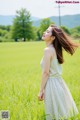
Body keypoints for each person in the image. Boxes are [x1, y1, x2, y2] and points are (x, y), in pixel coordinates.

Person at [38, 24, 80, 120]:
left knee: (54, 115)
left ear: (52, 37)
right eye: (46, 30)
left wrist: (41, 90)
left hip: (52, 84)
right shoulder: (55, 49)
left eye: (48, 31)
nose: (45, 32)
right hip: (59, 83)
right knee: (61, 114)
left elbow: (46, 73)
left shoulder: (47, 50)